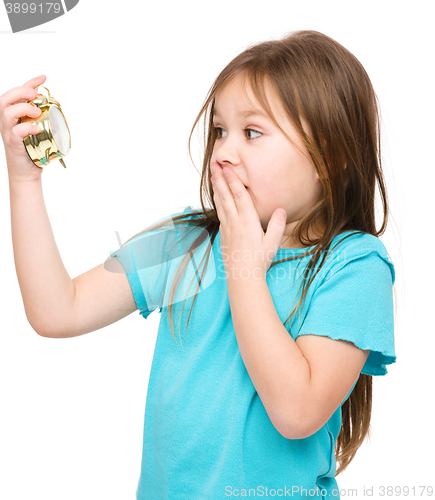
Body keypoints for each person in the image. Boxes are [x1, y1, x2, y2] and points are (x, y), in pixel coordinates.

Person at [1, 30, 396, 499]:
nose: (224, 153)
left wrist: (245, 268)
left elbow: (296, 412)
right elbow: (57, 310)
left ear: (328, 156)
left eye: (252, 132)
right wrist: (24, 181)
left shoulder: (354, 264)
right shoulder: (185, 240)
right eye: (219, 131)